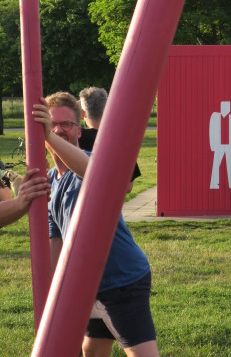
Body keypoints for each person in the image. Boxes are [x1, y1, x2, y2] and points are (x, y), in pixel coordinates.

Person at [33, 92, 159, 357]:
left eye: (66, 124)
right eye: (52, 125)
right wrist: (53, 296)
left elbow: (94, 175)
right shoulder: (51, 181)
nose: (59, 130)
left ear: (79, 131)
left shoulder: (91, 161)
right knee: (91, 350)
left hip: (122, 280)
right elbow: (55, 241)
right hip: (87, 285)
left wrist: (49, 137)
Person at [79, 86, 141, 193]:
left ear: (82, 113)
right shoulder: (120, 140)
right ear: (107, 109)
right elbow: (128, 186)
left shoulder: (76, 137)